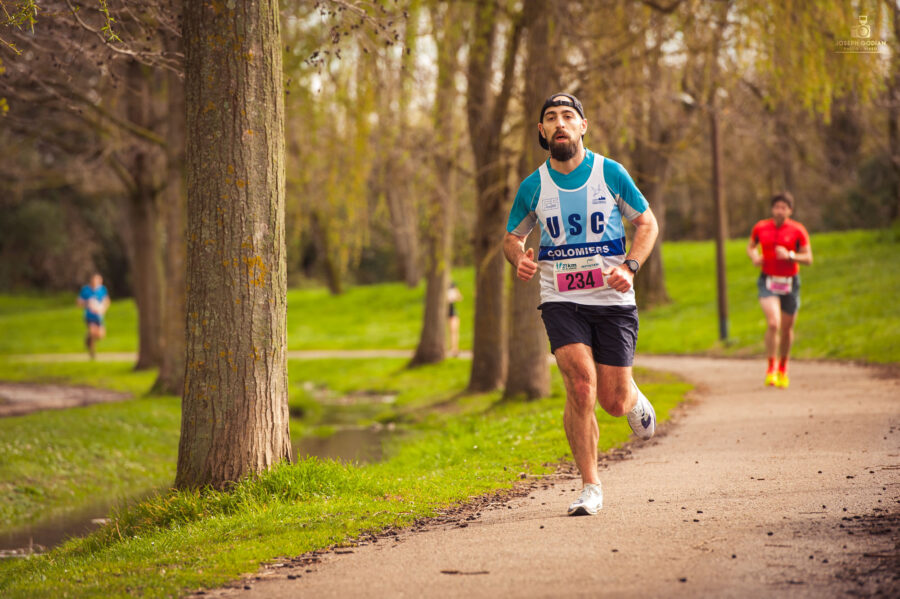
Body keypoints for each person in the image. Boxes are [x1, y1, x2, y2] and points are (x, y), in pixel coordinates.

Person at [503, 93, 660, 516]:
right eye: (550, 117)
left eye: (567, 116)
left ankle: (630, 396)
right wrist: (519, 257)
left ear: (582, 126)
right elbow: (512, 236)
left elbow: (646, 222)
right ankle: (591, 486)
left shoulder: (610, 173)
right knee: (581, 384)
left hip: (613, 298)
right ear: (541, 130)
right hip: (561, 298)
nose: (559, 123)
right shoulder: (534, 185)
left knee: (611, 399)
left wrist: (630, 266)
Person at [747, 192, 813, 389]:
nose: (780, 210)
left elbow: (809, 258)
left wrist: (791, 256)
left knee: (786, 329)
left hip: (790, 282)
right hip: (767, 280)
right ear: (772, 209)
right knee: (774, 323)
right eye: (777, 206)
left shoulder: (798, 230)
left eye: (784, 207)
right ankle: (770, 368)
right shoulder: (760, 227)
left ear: (790, 210)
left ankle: (783, 367)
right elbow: (751, 246)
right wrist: (754, 257)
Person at [77, 273, 110, 360]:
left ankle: (87, 339)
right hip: (89, 316)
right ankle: (92, 353)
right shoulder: (86, 290)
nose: (97, 282)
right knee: (92, 332)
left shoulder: (102, 290)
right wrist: (88, 303)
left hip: (99, 316)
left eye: (99, 280)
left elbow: (107, 301)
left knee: (100, 335)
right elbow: (79, 303)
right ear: (92, 280)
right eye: (96, 280)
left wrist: (102, 310)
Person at [447, 281, 462, 357]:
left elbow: (459, 297)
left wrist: (454, 296)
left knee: (454, 330)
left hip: (452, 311)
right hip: (444, 311)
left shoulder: (452, 285)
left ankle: (454, 349)